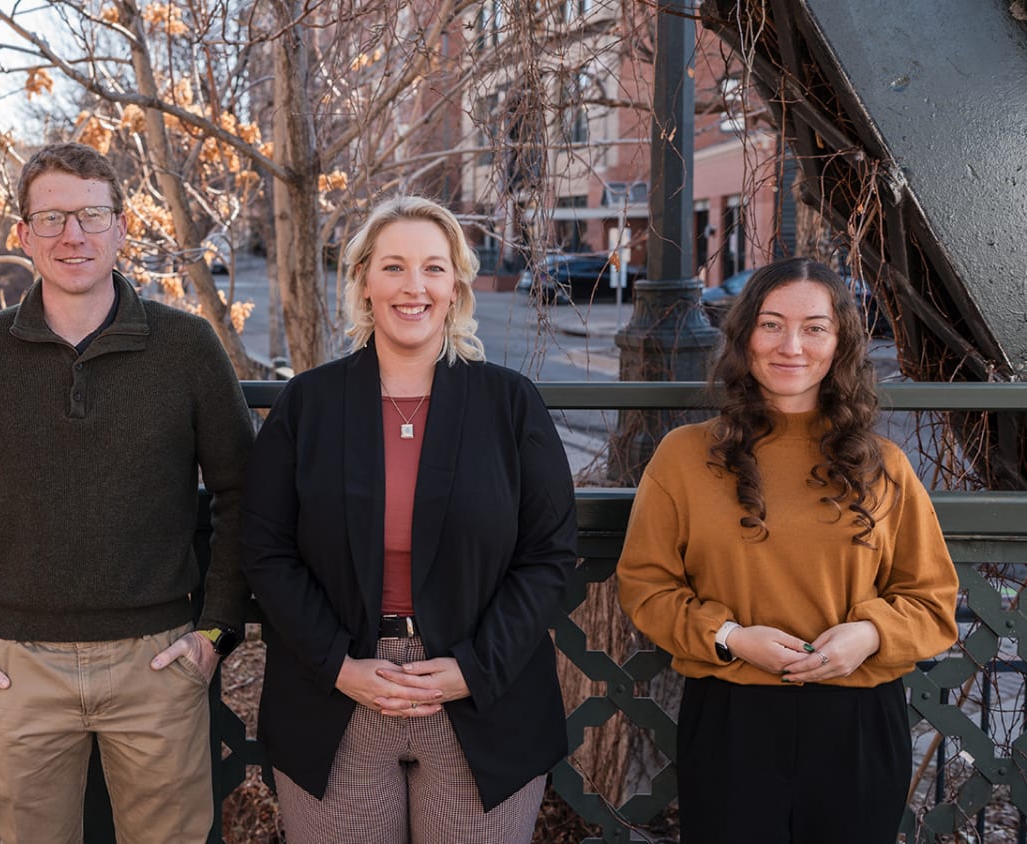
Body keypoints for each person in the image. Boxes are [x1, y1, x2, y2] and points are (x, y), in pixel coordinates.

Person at [0, 142, 254, 844]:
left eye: (91, 215)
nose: (72, 235)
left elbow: (243, 494)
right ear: (23, 235)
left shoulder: (189, 347)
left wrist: (216, 630)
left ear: (121, 228)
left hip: (160, 659)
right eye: (50, 219)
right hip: (18, 667)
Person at [241, 196, 578, 842]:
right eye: (393, 267)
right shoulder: (308, 404)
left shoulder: (509, 405)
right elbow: (266, 550)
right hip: (333, 697)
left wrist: (473, 670)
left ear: (456, 285)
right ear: (365, 281)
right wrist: (340, 665)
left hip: (483, 696)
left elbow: (550, 554)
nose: (413, 286)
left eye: (433, 267)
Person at [617, 257, 959, 844]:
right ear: (744, 334)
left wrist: (870, 635)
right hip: (731, 715)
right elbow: (645, 586)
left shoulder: (885, 467)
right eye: (772, 324)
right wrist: (729, 637)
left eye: (815, 327)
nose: (792, 346)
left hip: (856, 718)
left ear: (841, 342)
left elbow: (932, 602)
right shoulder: (683, 456)